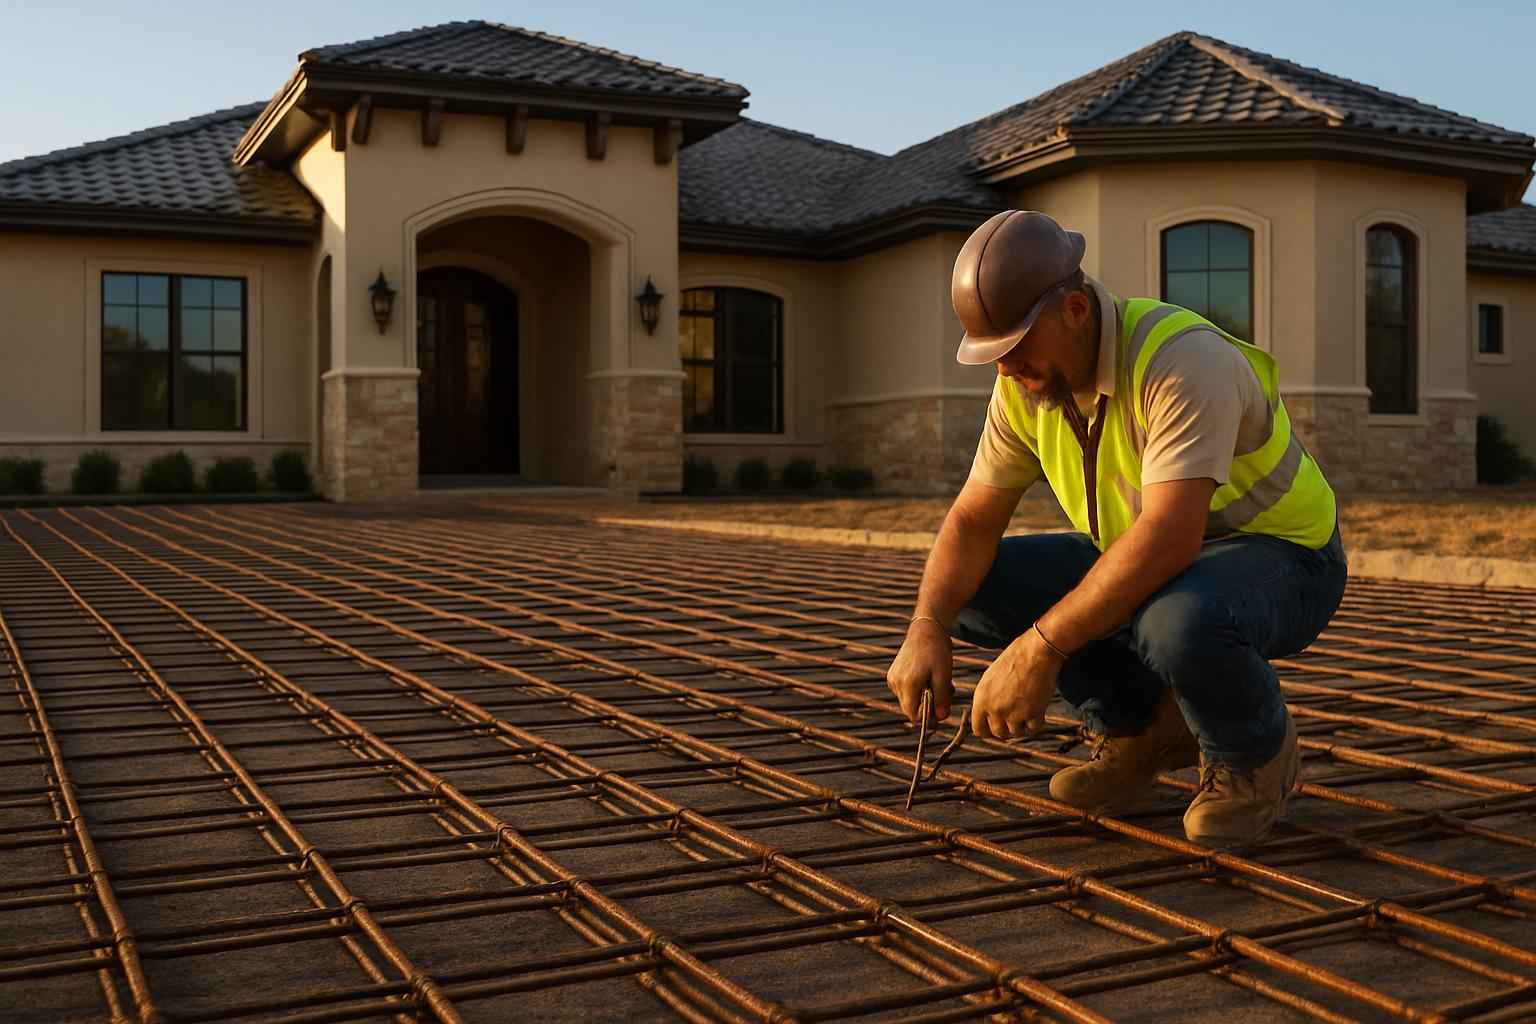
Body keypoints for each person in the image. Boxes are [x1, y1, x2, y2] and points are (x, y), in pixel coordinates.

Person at [886, 210, 1347, 845]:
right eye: (993, 354)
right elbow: (971, 518)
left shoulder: (1182, 360)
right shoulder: (1025, 385)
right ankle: (1140, 731)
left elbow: (1170, 537)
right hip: (1155, 558)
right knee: (970, 589)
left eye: (1014, 348)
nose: (1003, 369)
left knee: (1176, 622)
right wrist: (926, 627)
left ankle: (1253, 757)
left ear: (1074, 308)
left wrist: (1038, 648)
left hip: (1284, 557)